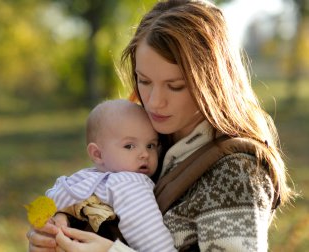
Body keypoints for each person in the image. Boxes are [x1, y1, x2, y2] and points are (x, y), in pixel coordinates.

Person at [27, 0, 295, 251]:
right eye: (144, 81)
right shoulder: (147, 143)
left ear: (212, 83)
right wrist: (59, 229)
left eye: (175, 86)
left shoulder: (236, 171)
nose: (154, 102)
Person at [44, 99, 176, 252]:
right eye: (129, 146)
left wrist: (58, 220)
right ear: (98, 154)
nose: (145, 154)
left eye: (151, 145)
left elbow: (53, 201)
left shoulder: (81, 180)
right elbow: (152, 240)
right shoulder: (130, 183)